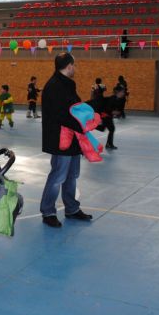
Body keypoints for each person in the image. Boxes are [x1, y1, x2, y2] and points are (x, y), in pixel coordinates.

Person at [40, 52, 92, 228]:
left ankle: (71, 208)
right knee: (58, 176)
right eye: (74, 66)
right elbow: (61, 115)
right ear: (69, 66)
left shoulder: (67, 85)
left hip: (72, 139)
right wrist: (82, 124)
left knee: (71, 175)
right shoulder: (54, 86)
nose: (75, 69)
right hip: (60, 139)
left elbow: (74, 108)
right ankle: (48, 211)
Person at [88, 85, 126, 150]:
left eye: (123, 92)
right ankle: (109, 144)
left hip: (108, 115)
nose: (123, 93)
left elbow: (119, 109)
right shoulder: (112, 99)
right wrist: (114, 112)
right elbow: (108, 109)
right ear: (118, 92)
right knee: (111, 128)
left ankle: (109, 144)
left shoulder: (120, 99)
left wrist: (119, 113)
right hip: (104, 114)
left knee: (109, 128)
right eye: (122, 92)